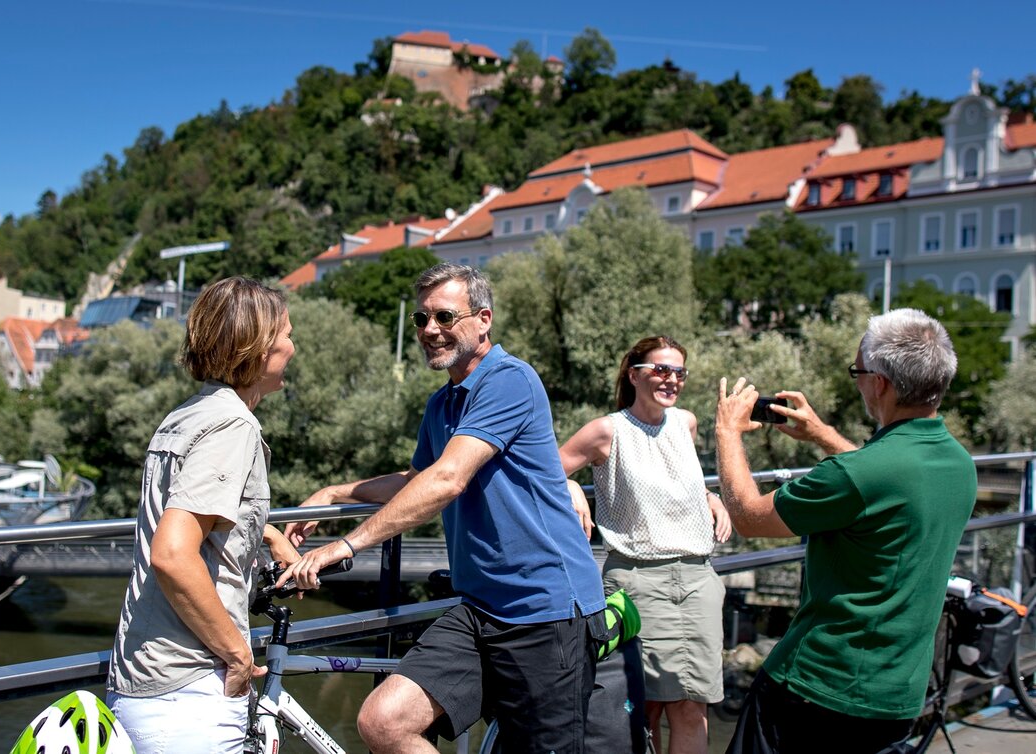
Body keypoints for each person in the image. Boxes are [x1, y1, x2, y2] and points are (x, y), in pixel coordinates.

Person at [281, 262, 606, 754]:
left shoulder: (510, 380)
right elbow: (418, 479)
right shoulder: (443, 404)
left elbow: (448, 479)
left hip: (546, 611)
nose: (430, 330)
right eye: (422, 319)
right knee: (384, 721)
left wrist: (343, 546)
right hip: (481, 608)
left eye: (445, 317)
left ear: (483, 319)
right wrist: (333, 493)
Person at [714, 308, 978, 754]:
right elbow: (884, 484)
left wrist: (726, 431)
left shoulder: (856, 474)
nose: (857, 382)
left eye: (858, 371)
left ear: (881, 383)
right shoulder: (959, 465)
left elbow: (748, 515)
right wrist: (824, 435)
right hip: (896, 697)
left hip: (816, 690)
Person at [106, 277, 301, 754]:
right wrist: (236, 654)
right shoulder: (232, 427)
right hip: (188, 688)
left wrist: (267, 534)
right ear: (257, 349)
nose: (293, 348)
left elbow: (193, 515)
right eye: (287, 335)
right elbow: (173, 553)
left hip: (142, 673)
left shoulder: (186, 416)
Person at [558, 335, 732, 754]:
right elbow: (540, 467)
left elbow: (677, 479)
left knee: (693, 708)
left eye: (678, 372)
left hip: (697, 580)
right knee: (643, 709)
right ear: (634, 375)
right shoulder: (606, 430)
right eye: (660, 369)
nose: (670, 379)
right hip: (637, 582)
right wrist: (568, 485)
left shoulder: (685, 423)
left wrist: (707, 496)